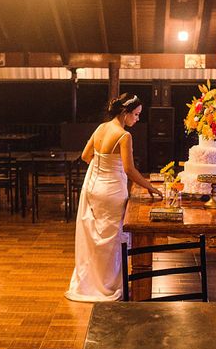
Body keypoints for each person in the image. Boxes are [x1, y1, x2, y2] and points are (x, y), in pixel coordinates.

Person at [65, 93, 163, 302]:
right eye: (135, 114)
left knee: (96, 236)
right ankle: (107, 285)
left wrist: (101, 168)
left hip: (94, 189)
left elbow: (85, 156)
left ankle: (92, 281)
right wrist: (150, 187)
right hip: (112, 193)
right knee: (111, 240)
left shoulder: (101, 128)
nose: (137, 119)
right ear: (125, 113)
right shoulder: (123, 135)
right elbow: (129, 169)